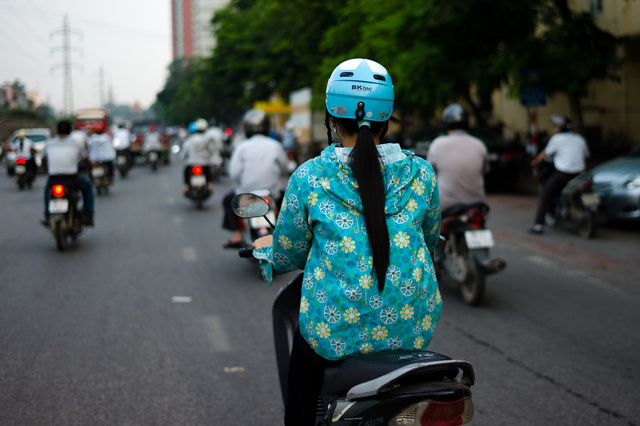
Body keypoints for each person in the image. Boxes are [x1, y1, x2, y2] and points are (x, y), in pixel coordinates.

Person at [251, 58, 442, 425]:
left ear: (332, 120)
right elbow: (430, 237)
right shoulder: (421, 173)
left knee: (301, 393)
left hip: (334, 334)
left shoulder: (310, 177)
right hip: (411, 329)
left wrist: (268, 252)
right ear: (388, 117)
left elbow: (290, 251)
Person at [221, 108, 288, 248]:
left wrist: (243, 185)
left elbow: (234, 173)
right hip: (272, 194)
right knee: (289, 206)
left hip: (246, 195)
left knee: (228, 200)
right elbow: (284, 168)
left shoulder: (242, 147)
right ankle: (288, 235)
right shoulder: (275, 145)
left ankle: (237, 236)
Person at [529, 114, 590, 234]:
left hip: (563, 174)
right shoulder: (579, 138)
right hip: (580, 174)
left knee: (546, 194)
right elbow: (586, 155)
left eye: (556, 127)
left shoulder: (557, 139)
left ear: (560, 128)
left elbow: (544, 154)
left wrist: (535, 162)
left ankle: (538, 225)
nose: (554, 129)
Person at [427, 104, 489, 213]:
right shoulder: (479, 145)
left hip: (447, 206)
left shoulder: (437, 144)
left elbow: (429, 175)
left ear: (446, 124)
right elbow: (484, 171)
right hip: (477, 205)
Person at [41, 120, 95, 227]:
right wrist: (90, 166)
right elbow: (85, 159)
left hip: (54, 177)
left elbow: (43, 160)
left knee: (47, 192)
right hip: (71, 178)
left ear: (56, 130)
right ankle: (88, 215)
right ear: (71, 130)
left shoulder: (49, 143)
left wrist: (48, 168)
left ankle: (47, 216)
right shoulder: (76, 143)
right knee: (88, 188)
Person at [181, 118, 217, 193]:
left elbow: (184, 152)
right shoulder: (208, 138)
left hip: (192, 163)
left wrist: (183, 157)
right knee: (208, 171)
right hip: (204, 163)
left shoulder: (190, 139)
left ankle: (186, 186)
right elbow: (212, 150)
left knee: (186, 171)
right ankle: (209, 185)